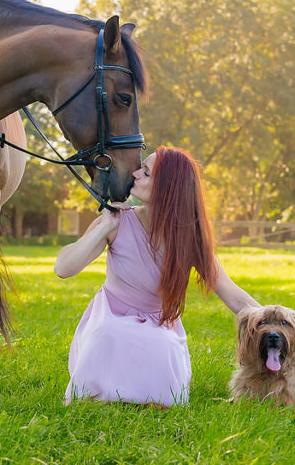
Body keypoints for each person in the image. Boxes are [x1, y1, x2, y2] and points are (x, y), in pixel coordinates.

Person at [55, 146, 259, 406]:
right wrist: (105, 225)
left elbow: (234, 298)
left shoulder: (188, 238)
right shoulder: (119, 221)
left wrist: (280, 322)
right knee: (109, 333)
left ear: (167, 188)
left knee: (161, 346)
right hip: (110, 317)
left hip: (158, 325)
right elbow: (63, 269)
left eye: (147, 173)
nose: (135, 173)